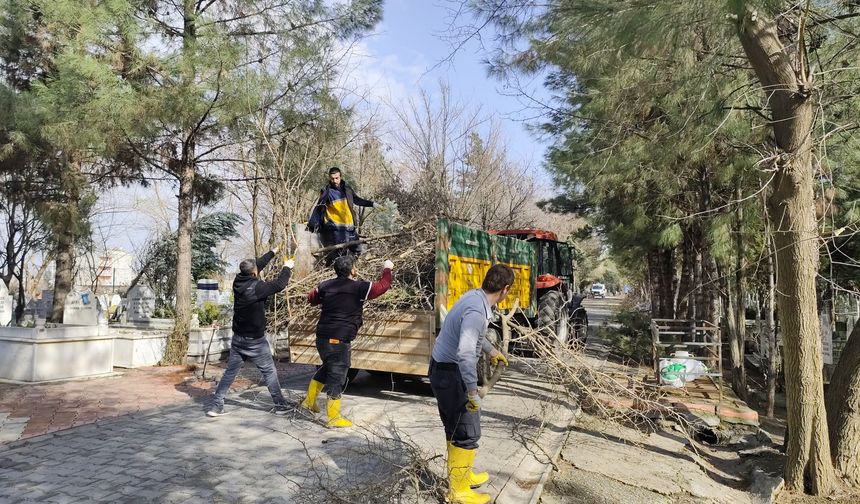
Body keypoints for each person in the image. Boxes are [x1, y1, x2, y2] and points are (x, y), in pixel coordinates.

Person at [429, 264, 513, 504]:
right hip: (451, 374)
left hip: (441, 370)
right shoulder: (478, 311)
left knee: (455, 427)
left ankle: (462, 475)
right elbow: (465, 353)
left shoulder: (473, 297)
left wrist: (490, 349)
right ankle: (458, 491)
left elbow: (468, 335)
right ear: (505, 289)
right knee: (467, 432)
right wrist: (472, 391)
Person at [300, 255, 393, 427]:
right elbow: (382, 286)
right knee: (337, 376)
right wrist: (387, 268)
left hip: (322, 337)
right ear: (352, 270)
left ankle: (309, 401)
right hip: (338, 339)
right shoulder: (358, 287)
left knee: (328, 368)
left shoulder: (325, 285)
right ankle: (334, 418)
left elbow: (311, 297)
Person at [206, 248, 294, 417]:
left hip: (238, 339)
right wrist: (287, 267)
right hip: (255, 341)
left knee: (230, 372)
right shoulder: (257, 287)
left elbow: (256, 265)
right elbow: (279, 285)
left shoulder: (238, 280)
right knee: (269, 371)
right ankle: (280, 406)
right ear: (254, 273)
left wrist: (272, 252)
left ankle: (216, 406)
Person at [307, 167, 375, 256]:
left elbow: (357, 200)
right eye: (332, 178)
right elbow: (319, 208)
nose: (334, 181)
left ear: (341, 177)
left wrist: (372, 204)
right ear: (329, 178)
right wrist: (312, 225)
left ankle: (351, 268)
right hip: (336, 228)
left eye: (337, 178)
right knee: (341, 253)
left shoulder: (347, 188)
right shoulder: (327, 191)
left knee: (358, 250)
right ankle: (340, 268)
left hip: (350, 227)